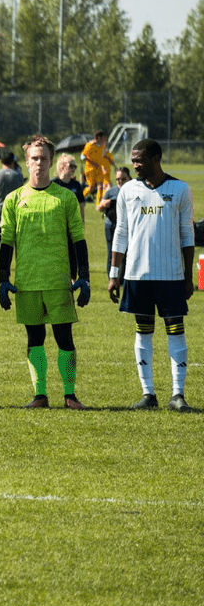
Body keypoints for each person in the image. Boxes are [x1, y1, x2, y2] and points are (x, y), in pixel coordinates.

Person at [0, 134, 91, 409]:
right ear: (26, 162)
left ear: (51, 162)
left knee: (65, 338)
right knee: (34, 338)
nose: (39, 163)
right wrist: (3, 279)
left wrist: (83, 276)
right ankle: (39, 395)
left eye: (44, 158)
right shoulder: (14, 199)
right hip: (27, 282)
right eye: (34, 158)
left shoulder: (65, 197)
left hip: (58, 280)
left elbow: (78, 239)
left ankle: (70, 395)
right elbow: (6, 241)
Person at [109, 139, 194, 412]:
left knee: (175, 331)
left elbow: (187, 235)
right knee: (143, 332)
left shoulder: (180, 189)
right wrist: (114, 274)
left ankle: (177, 395)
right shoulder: (128, 190)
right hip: (136, 275)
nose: (135, 164)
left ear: (156, 158)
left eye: (140, 160)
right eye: (133, 160)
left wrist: (188, 276)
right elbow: (120, 233)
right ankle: (148, 395)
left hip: (170, 276)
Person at [0, 151, 24, 271]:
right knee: (16, 237)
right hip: (14, 208)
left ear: (1, 161)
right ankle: (20, 263)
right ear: (13, 161)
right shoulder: (18, 175)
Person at [97, 166, 131, 274]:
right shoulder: (111, 191)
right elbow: (98, 207)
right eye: (117, 179)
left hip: (128, 226)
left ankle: (123, 279)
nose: (120, 181)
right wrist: (105, 203)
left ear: (129, 178)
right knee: (111, 253)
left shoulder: (133, 191)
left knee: (126, 253)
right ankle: (111, 278)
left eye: (123, 179)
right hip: (111, 225)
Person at [51, 153, 87, 225]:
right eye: (71, 166)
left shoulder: (76, 184)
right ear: (62, 166)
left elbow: (81, 204)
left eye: (75, 166)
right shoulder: (52, 184)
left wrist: (82, 220)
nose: (73, 169)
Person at [82, 130, 114, 203]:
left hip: (99, 169)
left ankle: (98, 203)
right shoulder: (89, 145)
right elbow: (82, 156)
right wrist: (93, 163)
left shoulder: (101, 146)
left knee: (100, 186)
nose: (103, 139)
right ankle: (79, 198)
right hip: (90, 169)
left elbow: (102, 155)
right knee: (91, 188)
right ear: (98, 137)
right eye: (102, 138)